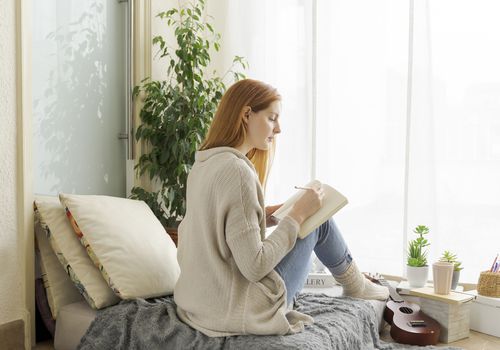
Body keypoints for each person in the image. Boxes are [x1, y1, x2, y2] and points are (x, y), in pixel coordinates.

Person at [173, 79, 389, 337]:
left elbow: (220, 225)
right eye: (272, 118)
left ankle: (356, 282)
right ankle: (356, 285)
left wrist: (277, 213)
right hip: (240, 311)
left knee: (308, 214)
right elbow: (254, 266)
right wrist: (298, 216)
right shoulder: (238, 171)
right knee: (320, 221)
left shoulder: (204, 165)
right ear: (246, 115)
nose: (279, 129)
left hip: (201, 305)